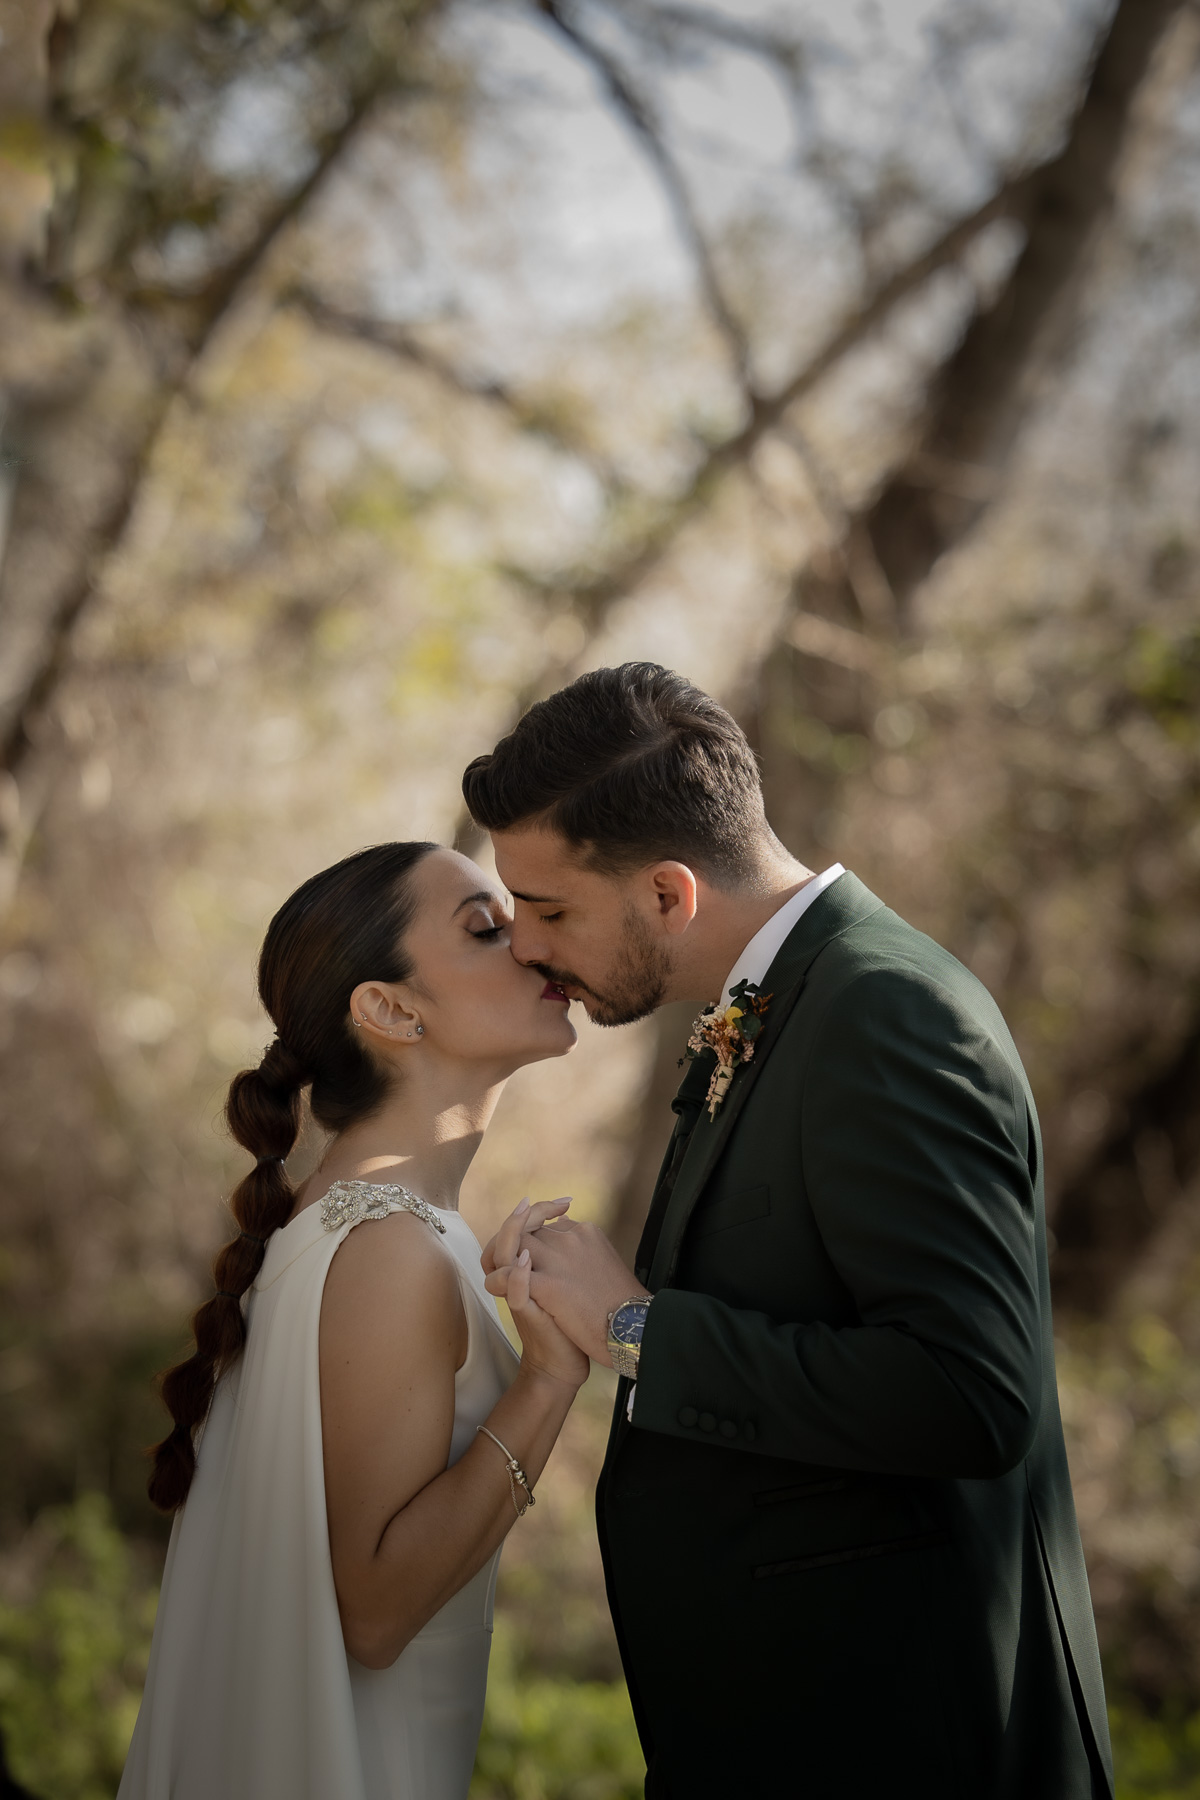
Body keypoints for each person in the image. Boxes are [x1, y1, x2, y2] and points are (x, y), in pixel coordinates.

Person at [465, 663, 1115, 1800]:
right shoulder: (779, 1005)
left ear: (669, 894)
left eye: (551, 909)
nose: (525, 944)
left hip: (911, 1743)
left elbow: (973, 1393)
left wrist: (634, 1328)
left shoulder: (886, 1013)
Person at [119, 842, 587, 1800]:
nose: (535, 946)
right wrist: (547, 1382)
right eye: (487, 929)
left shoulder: (375, 1225)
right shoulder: (390, 1249)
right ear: (389, 1009)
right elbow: (374, 1615)